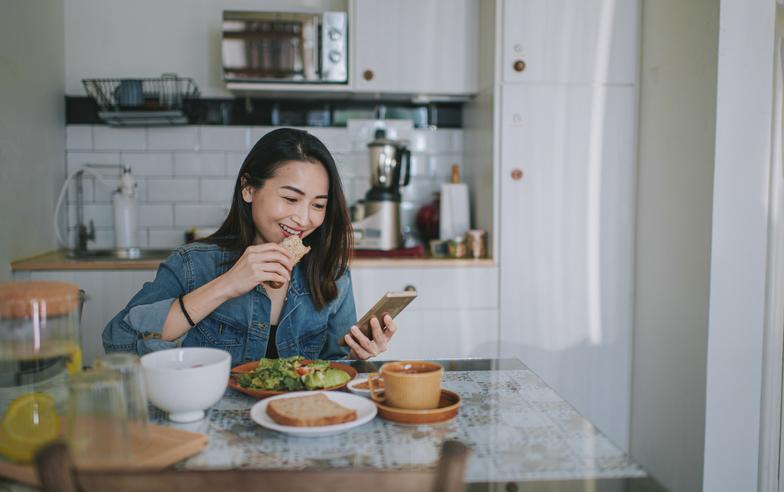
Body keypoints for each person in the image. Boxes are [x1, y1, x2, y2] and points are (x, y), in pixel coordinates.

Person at [102, 128, 397, 365]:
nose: (304, 218)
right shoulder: (193, 264)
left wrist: (357, 358)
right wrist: (228, 284)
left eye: (318, 205)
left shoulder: (331, 273)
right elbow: (119, 342)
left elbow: (332, 365)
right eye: (291, 199)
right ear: (248, 189)